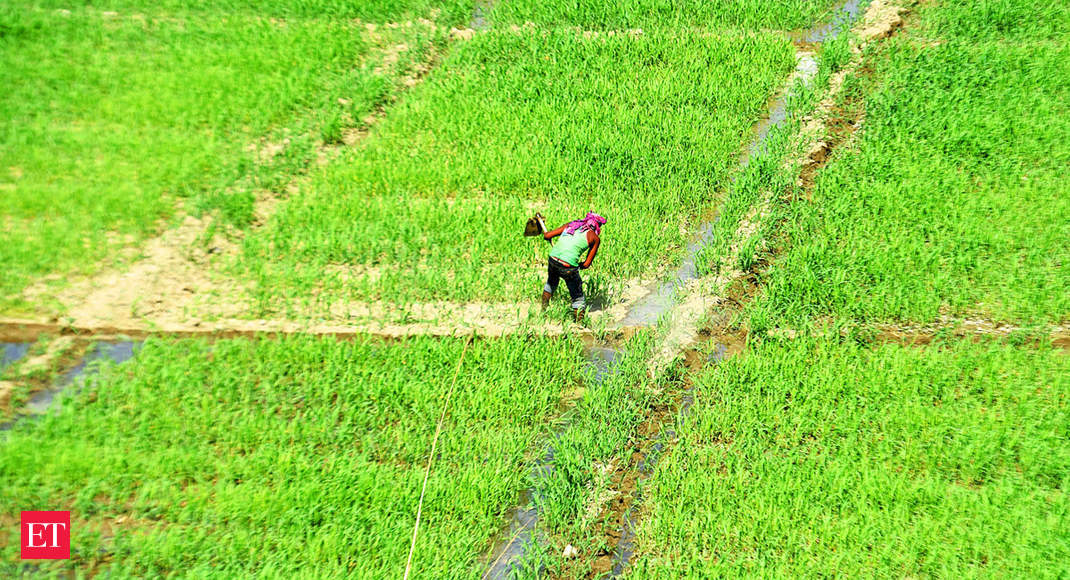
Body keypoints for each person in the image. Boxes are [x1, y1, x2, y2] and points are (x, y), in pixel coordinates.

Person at [541, 212, 606, 322]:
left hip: (553, 259)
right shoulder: (594, 238)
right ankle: (579, 325)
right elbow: (586, 264)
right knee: (578, 296)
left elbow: (547, 235)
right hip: (568, 266)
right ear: (597, 226)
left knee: (551, 284)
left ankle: (543, 312)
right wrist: (579, 266)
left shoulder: (571, 225)